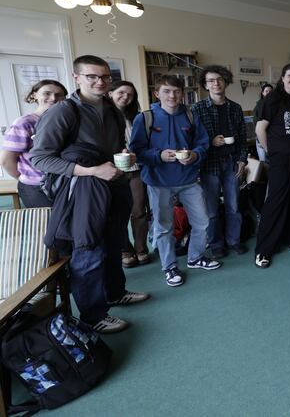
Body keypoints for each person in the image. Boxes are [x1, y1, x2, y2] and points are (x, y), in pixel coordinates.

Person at [30, 55, 149, 334]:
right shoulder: (63, 111)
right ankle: (93, 315)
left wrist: (123, 157)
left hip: (114, 185)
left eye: (105, 77)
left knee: (115, 241)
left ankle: (115, 292)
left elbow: (115, 148)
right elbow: (41, 159)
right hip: (83, 190)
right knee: (89, 249)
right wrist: (91, 171)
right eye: (92, 76)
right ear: (77, 78)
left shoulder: (112, 109)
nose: (100, 82)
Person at [130, 74, 221, 287]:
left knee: (203, 221)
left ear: (183, 94)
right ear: (157, 93)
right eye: (167, 91)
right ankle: (169, 266)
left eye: (177, 91)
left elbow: (203, 144)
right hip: (158, 181)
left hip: (189, 180)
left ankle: (195, 257)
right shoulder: (145, 118)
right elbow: (137, 151)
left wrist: (195, 155)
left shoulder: (190, 116)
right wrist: (158, 156)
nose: (172, 96)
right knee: (163, 226)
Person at [254, 64, 290, 268]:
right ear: (283, 78)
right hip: (280, 158)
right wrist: (270, 150)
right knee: (276, 200)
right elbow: (260, 129)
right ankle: (263, 250)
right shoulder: (272, 99)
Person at [192, 65, 248, 258]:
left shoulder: (235, 108)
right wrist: (210, 142)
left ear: (225, 82)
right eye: (211, 81)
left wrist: (242, 161)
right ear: (205, 85)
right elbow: (192, 140)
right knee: (212, 209)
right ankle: (216, 244)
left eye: (220, 79)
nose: (216, 83)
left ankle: (234, 241)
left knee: (234, 206)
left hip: (231, 161)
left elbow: (241, 138)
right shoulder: (197, 108)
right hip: (209, 164)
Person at [1, 79, 67, 208]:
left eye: (59, 95)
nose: (53, 98)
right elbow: (6, 160)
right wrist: (24, 177)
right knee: (44, 224)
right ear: (34, 95)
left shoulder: (64, 122)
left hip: (62, 183)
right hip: (36, 188)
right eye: (47, 93)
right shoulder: (24, 123)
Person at [108, 80, 150, 268]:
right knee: (118, 214)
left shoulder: (137, 117)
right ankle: (125, 250)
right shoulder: (102, 116)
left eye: (130, 95)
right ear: (110, 93)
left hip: (136, 170)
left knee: (139, 211)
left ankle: (141, 249)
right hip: (113, 171)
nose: (126, 97)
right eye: (121, 92)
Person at [254, 83, 274, 162]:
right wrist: (260, 140)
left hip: (273, 139)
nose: (269, 93)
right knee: (264, 162)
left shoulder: (276, 105)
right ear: (262, 93)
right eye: (266, 91)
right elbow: (256, 123)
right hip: (262, 138)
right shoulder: (260, 104)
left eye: (271, 91)